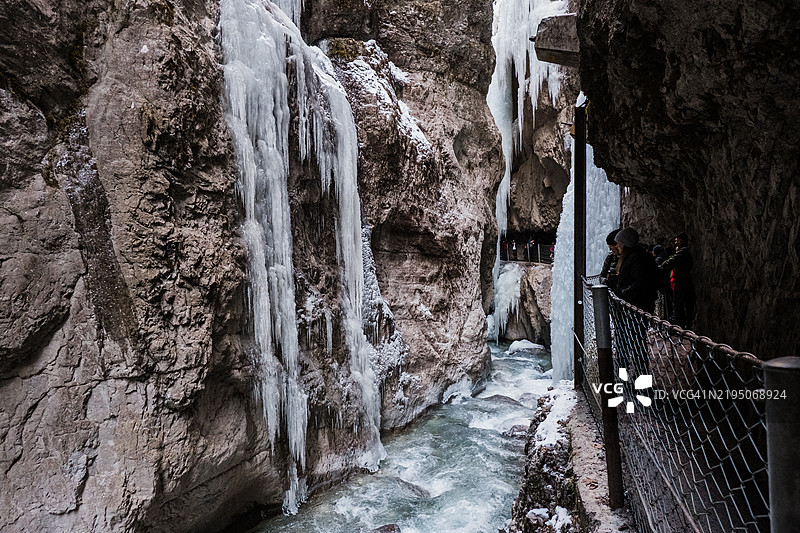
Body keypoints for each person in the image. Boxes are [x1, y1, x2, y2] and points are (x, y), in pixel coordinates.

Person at [612, 227, 660, 313]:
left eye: (619, 243)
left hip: (636, 305)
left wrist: (624, 294)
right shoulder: (635, 256)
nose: (616, 246)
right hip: (633, 304)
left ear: (625, 244)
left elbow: (641, 282)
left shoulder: (637, 258)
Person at [659, 232, 696, 329]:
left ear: (683, 241)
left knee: (678, 303)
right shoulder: (684, 251)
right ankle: (685, 325)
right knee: (684, 303)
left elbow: (673, 260)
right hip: (682, 280)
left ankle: (678, 325)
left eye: (677, 240)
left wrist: (660, 268)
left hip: (681, 281)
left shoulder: (683, 251)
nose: (676, 243)